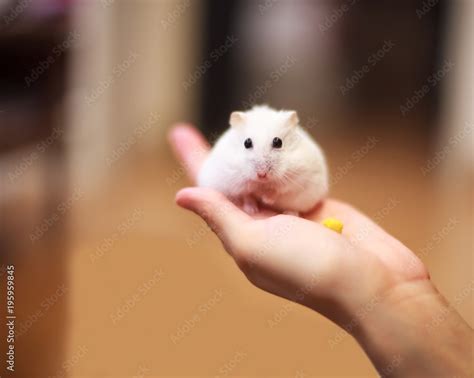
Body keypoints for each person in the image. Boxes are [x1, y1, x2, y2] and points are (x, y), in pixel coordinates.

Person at [168, 123, 472, 377]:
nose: (262, 168)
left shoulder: (302, 160)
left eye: (275, 145)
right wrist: (395, 298)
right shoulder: (232, 156)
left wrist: (393, 295)